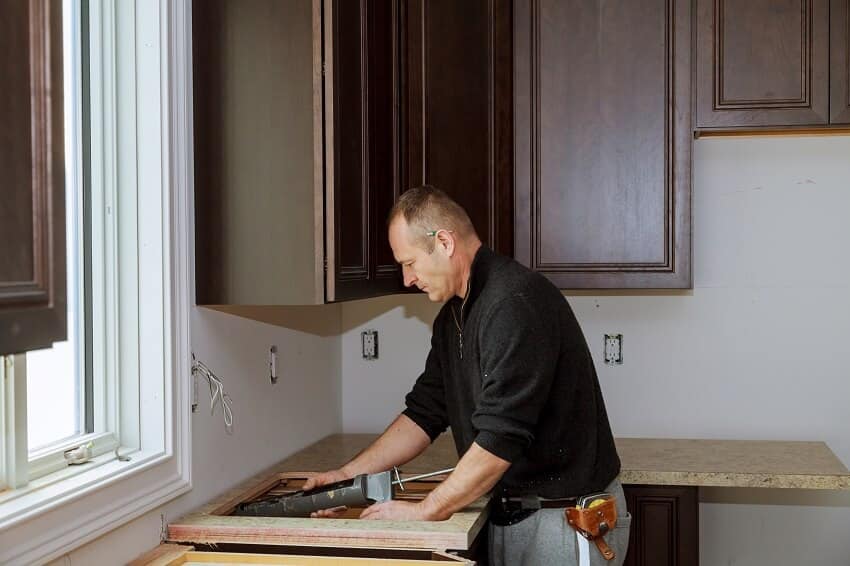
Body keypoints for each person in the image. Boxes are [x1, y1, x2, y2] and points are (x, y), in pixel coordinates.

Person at [303, 185, 630, 565]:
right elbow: (423, 414)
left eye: (409, 262)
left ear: (444, 242)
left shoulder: (514, 302)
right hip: (515, 514)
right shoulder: (454, 316)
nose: (407, 279)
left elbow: (501, 438)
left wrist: (425, 510)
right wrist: (345, 476)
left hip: (565, 520)